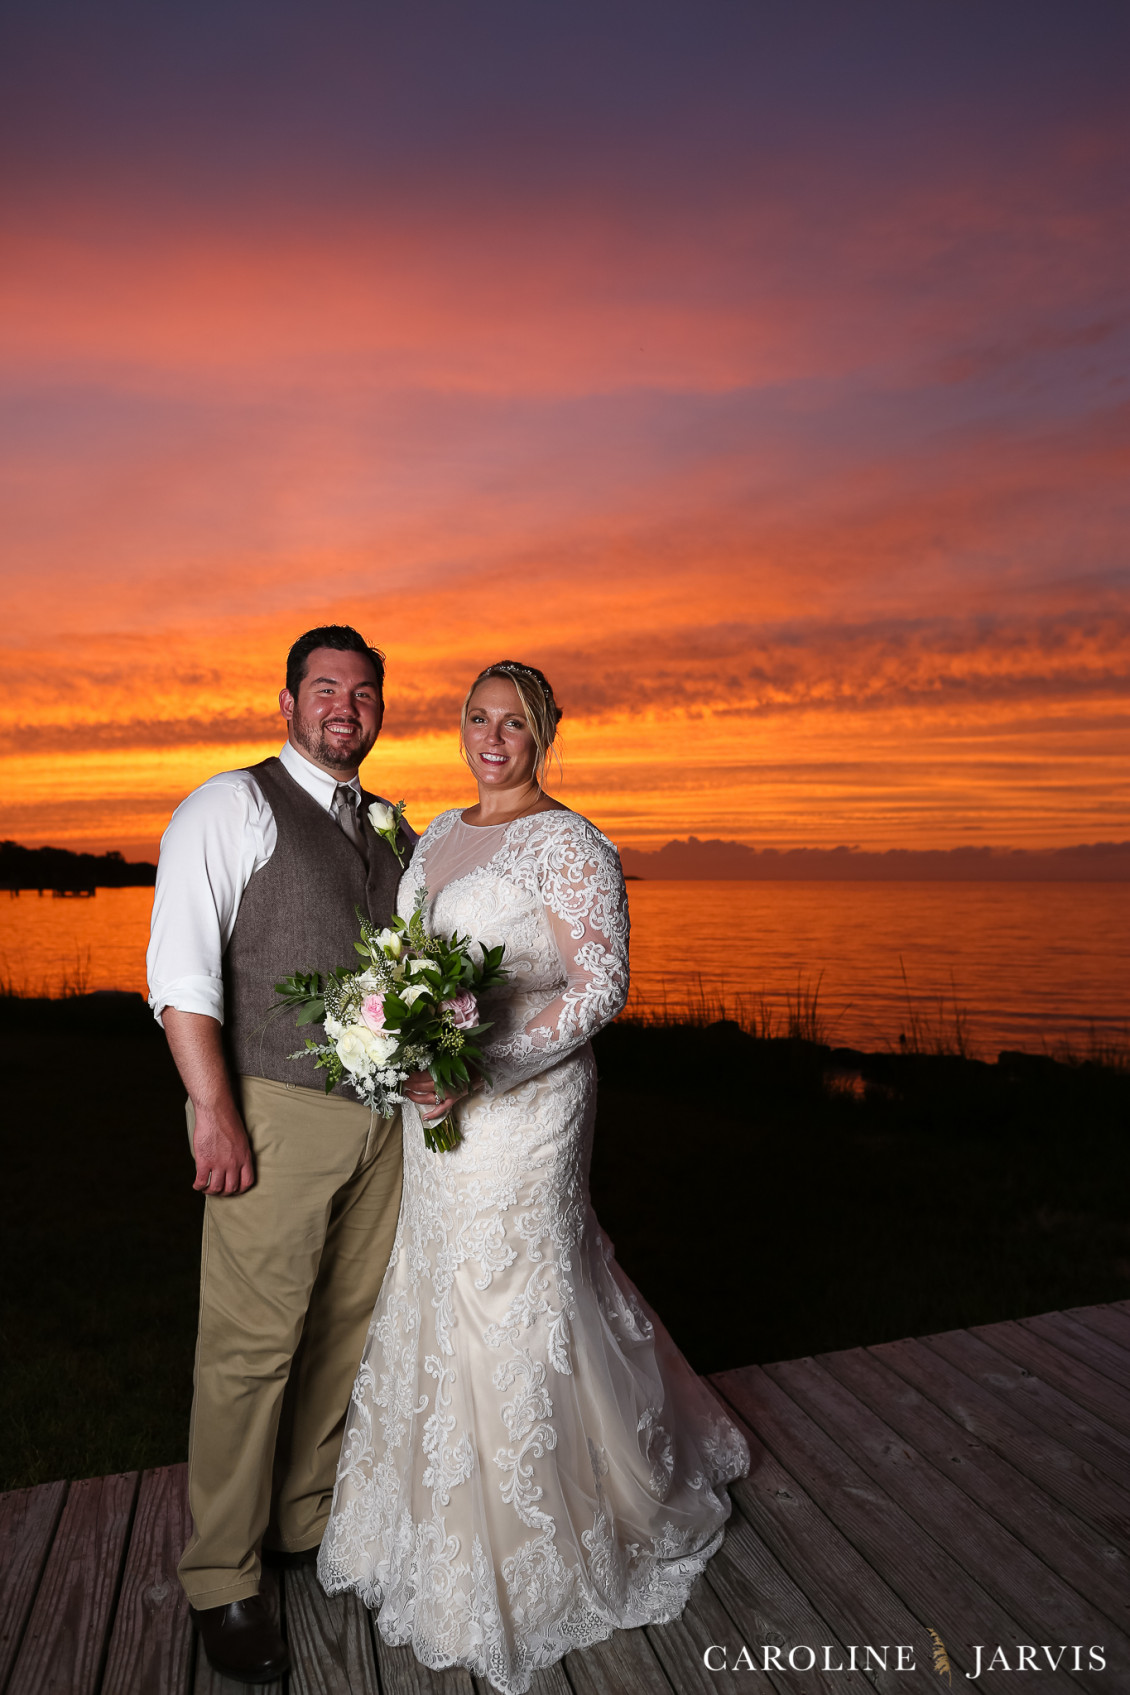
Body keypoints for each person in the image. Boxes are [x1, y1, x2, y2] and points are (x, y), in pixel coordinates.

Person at [318, 660, 749, 1695]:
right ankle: (427, 1532)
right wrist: (398, 1051)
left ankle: (546, 1542)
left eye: (513, 722)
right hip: (437, 1112)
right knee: (437, 1281)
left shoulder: (569, 842)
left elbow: (599, 987)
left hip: (526, 1108)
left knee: (519, 1290)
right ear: (458, 728)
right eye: (477, 718)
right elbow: (407, 961)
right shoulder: (434, 840)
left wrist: (482, 1067)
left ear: (542, 734)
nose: (491, 737)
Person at [147, 624, 412, 1684]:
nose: (342, 706)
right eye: (323, 689)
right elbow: (180, 969)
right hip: (272, 1108)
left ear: (379, 709)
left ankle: (303, 1522)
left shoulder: (390, 827)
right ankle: (221, 1575)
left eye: (361, 692)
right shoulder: (231, 803)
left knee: (346, 1332)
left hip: (380, 1123)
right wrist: (211, 1110)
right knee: (250, 1349)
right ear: (288, 703)